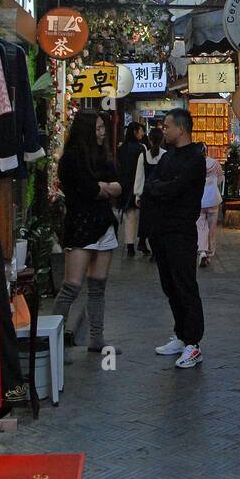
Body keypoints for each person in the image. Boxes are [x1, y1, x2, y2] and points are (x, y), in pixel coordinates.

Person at [51, 112, 121, 353]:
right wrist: (103, 187)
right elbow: (91, 190)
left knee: (98, 286)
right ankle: (54, 343)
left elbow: (118, 185)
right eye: (99, 128)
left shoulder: (103, 155)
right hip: (80, 225)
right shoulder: (72, 158)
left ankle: (97, 339)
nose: (102, 132)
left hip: (104, 225)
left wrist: (104, 187)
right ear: (87, 130)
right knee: (71, 286)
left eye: (103, 127)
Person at [144, 109, 206, 369]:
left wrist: (161, 189)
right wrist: (161, 188)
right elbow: (151, 184)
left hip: (181, 232)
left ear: (181, 129)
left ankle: (193, 343)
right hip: (161, 231)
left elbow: (174, 189)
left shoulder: (195, 158)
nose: (164, 130)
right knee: (169, 286)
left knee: (185, 285)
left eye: (167, 126)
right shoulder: (167, 158)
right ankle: (181, 336)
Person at [134, 123, 165, 257]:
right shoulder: (166, 155)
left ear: (150, 140)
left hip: (147, 193)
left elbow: (139, 176)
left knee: (145, 219)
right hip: (160, 193)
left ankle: (142, 241)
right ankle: (155, 250)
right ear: (162, 139)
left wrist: (137, 195)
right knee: (158, 222)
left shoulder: (143, 155)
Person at [116, 120, 146, 257]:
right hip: (139, 184)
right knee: (142, 216)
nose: (143, 133)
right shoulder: (141, 148)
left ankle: (129, 245)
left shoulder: (121, 148)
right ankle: (142, 241)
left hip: (125, 184)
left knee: (129, 216)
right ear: (135, 132)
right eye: (141, 131)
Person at [196, 144, 224, 267]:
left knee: (201, 227)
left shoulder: (195, 164)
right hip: (213, 199)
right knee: (212, 229)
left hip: (199, 200)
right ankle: (209, 254)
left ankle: (202, 250)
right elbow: (220, 178)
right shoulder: (215, 163)